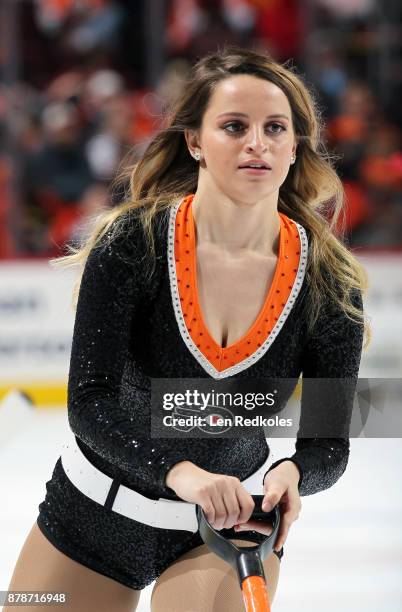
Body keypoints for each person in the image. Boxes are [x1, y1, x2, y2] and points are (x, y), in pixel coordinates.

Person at [6, 45, 369, 612]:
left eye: (276, 127)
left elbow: (327, 443)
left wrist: (297, 472)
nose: (258, 143)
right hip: (91, 518)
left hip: (229, 530)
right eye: (233, 126)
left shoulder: (330, 282)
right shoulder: (132, 244)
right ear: (194, 141)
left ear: (295, 146)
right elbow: (89, 402)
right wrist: (180, 472)